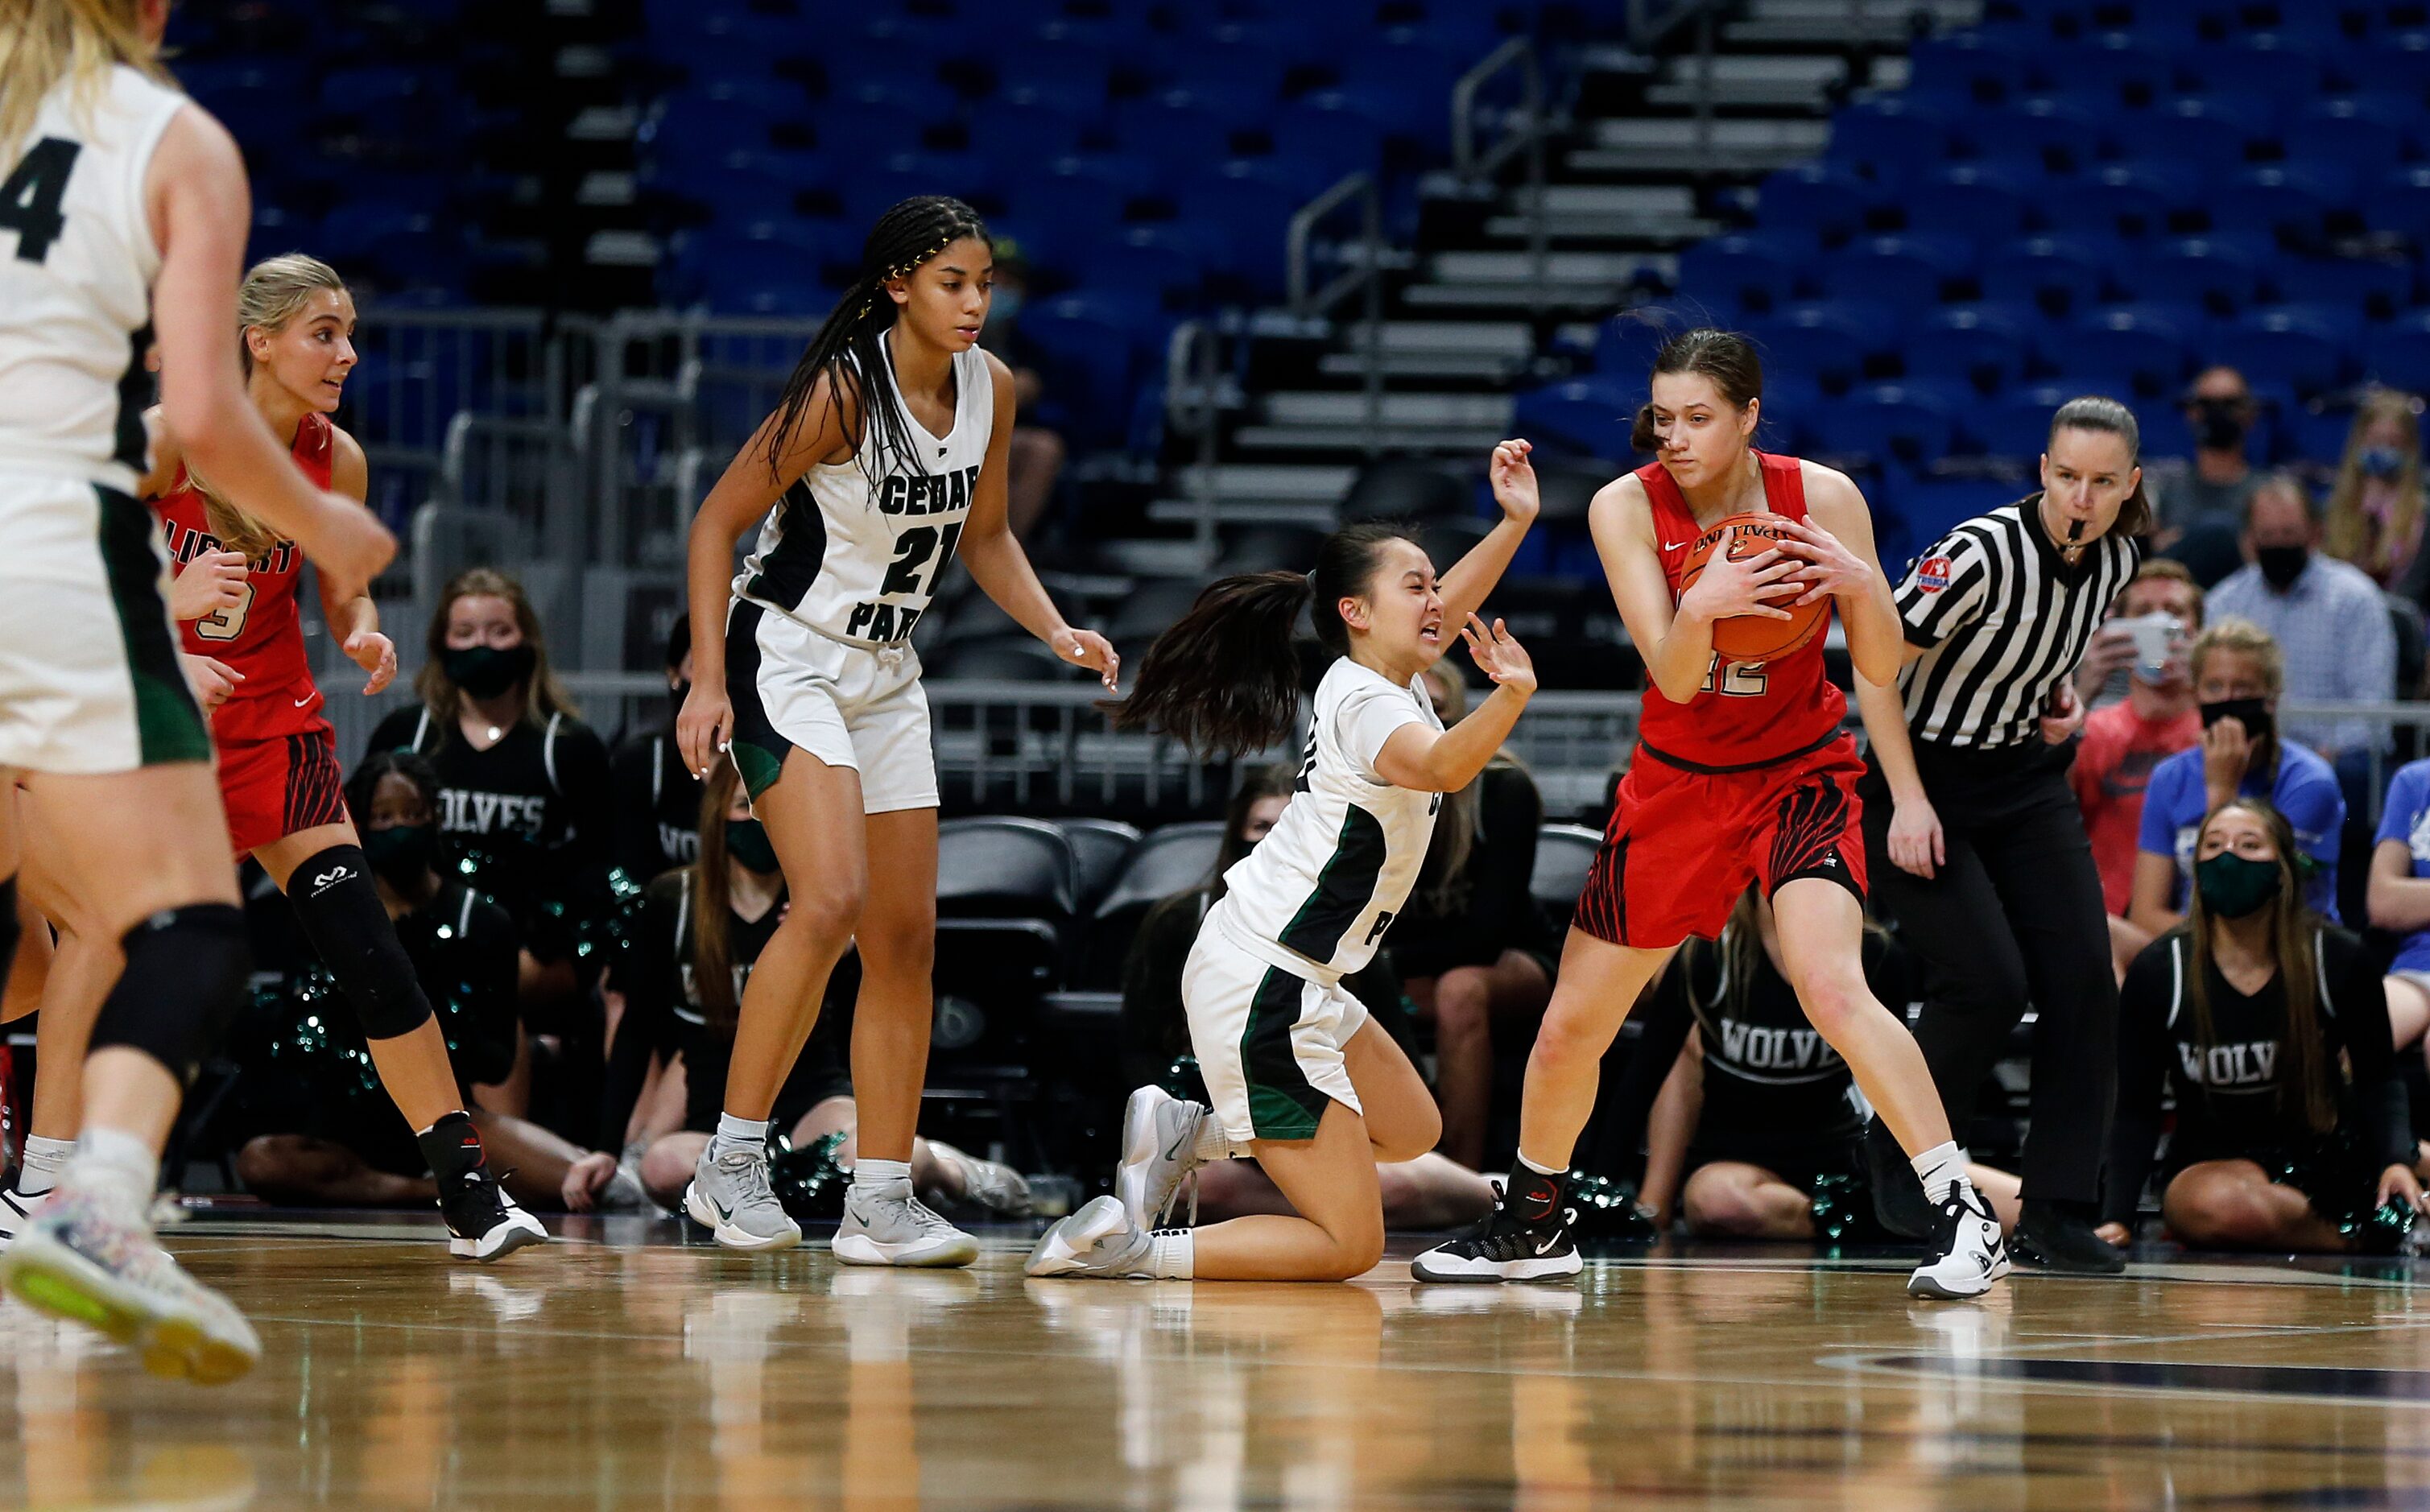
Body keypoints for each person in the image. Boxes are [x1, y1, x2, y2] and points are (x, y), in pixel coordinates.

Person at [1413, 329, 2006, 1299]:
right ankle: (1533, 1221)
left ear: (1749, 418)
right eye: (1662, 417)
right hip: (1678, 779)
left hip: (1799, 772)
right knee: (1573, 1027)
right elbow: (1677, 676)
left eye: (1698, 419)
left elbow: (1881, 663)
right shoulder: (1624, 507)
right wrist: (1708, 602)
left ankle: (1960, 1213)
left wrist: (1865, 589)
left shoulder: (1822, 499)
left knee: (1831, 986)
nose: (1674, 437)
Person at [0, 0, 395, 1383]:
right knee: (184, 922)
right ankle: (89, 1199)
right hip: (56, 541)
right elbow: (209, 416)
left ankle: (47, 1187)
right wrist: (333, 529)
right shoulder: (174, 138)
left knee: (58, 916)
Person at [676, 196, 1117, 1262]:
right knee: (825, 900)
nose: (973, 302)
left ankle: (879, 1197)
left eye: (982, 284)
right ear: (896, 287)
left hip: (885, 671)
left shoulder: (991, 390)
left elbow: (990, 534)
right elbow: (716, 521)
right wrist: (703, 677)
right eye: (951, 282)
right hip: (786, 650)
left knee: (906, 938)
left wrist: (1057, 627)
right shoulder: (842, 391)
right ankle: (728, 1165)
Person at [1026, 446, 1540, 1283]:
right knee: (1350, 1247)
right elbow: (1446, 766)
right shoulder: (1372, 704)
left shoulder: (1377, 673)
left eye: (1434, 584)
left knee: (1410, 1128)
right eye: (1416, 586)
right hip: (1269, 978)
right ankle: (1131, 1253)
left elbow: (1451, 612)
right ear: (1356, 610)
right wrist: (1511, 696)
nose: (1438, 600)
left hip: (1291, 972)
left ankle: (1196, 1133)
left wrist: (1514, 523)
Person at [136, 254, 540, 1258]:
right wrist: (169, 629)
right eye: (325, 333)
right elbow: (83, 567)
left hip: (278, 733)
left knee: (373, 953)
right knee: (69, 966)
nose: (348, 354)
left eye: (351, 333)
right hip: (157, 742)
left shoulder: (336, 459)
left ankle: (467, 1192)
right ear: (258, 340)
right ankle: (65, 1182)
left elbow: (343, 584)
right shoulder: (169, 440)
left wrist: (360, 626)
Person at [1849, 396, 2144, 1276]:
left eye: (2101, 483)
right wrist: (1905, 799)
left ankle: (2056, 1210)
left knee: (2087, 980)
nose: (2080, 498)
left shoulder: (2117, 560)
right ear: (2041, 472)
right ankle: (1900, 1153)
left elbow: (2043, 658)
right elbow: (1874, 666)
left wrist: (2064, 703)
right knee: (1985, 979)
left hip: (2021, 779)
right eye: (2065, 477)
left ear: (2129, 488)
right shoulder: (1977, 553)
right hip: (1919, 775)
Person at [578, 760, 1028, 1219]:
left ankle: (952, 1171)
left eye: (769, 808)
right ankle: (788, 1189)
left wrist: (849, 953)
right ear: (716, 814)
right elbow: (637, 1029)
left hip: (814, 1101)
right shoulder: (674, 901)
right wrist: (606, 1148)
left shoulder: (826, 899)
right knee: (661, 1166)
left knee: (883, 1157)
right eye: (743, 806)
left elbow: (884, 1006)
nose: (758, 821)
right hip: (716, 1114)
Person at [1114, 764, 1495, 1233]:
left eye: (1285, 826)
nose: (1271, 841)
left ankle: (1507, 1197)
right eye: (1261, 827)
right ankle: (1149, 1248)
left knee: (1408, 1152)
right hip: (1236, 1100)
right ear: (1236, 833)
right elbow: (1137, 1044)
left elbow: (1393, 1061)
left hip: (1318, 1110)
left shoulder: (1349, 927)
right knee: (1218, 1196)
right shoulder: (1190, 922)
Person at [228, 752, 580, 1227]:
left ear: (436, 816)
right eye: (384, 817)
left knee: (578, 1179)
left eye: (413, 815)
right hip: (348, 1125)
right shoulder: (328, 914)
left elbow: (495, 1060)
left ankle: (459, 1177)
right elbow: (301, 1039)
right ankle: (428, 1190)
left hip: (451, 1108)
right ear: (359, 825)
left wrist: (430, 1010)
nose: (400, 827)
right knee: (264, 1160)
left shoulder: (480, 918)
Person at [1610, 889, 2021, 1240]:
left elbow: (1895, 1076)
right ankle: (1862, 1221)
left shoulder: (1876, 956)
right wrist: (1643, 1196)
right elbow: (1655, 1072)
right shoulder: (1707, 956)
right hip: (1734, 1158)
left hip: (1839, 1152)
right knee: (1718, 1201)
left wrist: (1910, 1170)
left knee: (2022, 1207)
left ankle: (2068, 1223)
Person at [2106, 799, 2422, 1252]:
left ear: (2284, 869)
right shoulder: (2162, 969)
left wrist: (2395, 1159)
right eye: (2212, 845)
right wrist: (2117, 1217)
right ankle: (2359, 1235)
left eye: (2249, 844)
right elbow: (2136, 1108)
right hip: (2208, 1161)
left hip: (2327, 1154)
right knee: (2224, 1207)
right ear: (2196, 868)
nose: (2228, 855)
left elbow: (2379, 1079)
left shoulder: (2337, 958)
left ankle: (2388, 1196)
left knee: (2409, 1158)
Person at [368, 567, 616, 1117]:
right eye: (466, 632)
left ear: (527, 640)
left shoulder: (568, 746)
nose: (482, 645)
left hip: (530, 950)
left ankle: (501, 1161)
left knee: (483, 986)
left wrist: (559, 940)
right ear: (441, 643)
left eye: (498, 631)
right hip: (420, 934)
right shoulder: (406, 737)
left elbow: (601, 868)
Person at [1384, 664, 1554, 1171]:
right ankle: (1370, 1165)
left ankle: (1462, 1175)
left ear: (1461, 716)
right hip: (1407, 966)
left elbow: (1487, 934)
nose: (1424, 724)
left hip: (1512, 958)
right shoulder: (1361, 789)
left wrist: (1389, 966)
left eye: (1436, 710)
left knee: (1460, 990)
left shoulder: (1502, 787)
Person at [2130, 619, 2345, 936]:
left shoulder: (2309, 782)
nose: (2228, 700)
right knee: (2107, 935)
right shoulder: (2170, 777)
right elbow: (2147, 914)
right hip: (2193, 939)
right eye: (2215, 687)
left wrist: (2223, 791)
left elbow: (2249, 909)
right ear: (2195, 696)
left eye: (2243, 688)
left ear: (2270, 699)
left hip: (2285, 944)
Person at [2205, 473, 2398, 779]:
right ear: (2249, 540)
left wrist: (2322, 754)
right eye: (2268, 535)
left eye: (2289, 533)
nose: (2279, 543)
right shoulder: (2225, 602)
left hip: (2336, 760)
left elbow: (2373, 711)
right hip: (2246, 754)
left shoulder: (2355, 599)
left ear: (2315, 533)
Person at [2068, 561, 2205, 976]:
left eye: (2175, 611)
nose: (2161, 623)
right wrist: (2082, 693)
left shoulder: (2223, 731)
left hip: (2194, 927)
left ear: (2199, 633)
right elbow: (2042, 802)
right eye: (2144, 613)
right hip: (2103, 928)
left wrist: (2206, 685)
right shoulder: (2089, 730)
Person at [972, 239, 1062, 543]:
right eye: (992, 280)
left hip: (998, 436)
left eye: (1010, 282)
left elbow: (1023, 389)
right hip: (937, 432)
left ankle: (1002, 551)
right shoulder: (936, 335)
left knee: (1043, 448)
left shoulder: (1027, 346)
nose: (1000, 289)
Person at [609, 616, 702, 885]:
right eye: (700, 666)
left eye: (734, 665)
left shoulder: (770, 766)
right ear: (674, 673)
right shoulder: (642, 763)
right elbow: (628, 869)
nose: (717, 681)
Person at [2147, 365, 2260, 588]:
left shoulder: (2267, 491)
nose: (2217, 413)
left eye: (2229, 404)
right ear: (2191, 412)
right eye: (2207, 404)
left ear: (2249, 414)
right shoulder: (2163, 487)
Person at [2322, 389, 2428, 599]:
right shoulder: (2332, 507)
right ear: (2359, 443)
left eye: (2393, 444)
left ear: (2410, 450)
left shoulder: (2423, 514)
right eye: (2376, 441)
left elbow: (2415, 589)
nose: (2383, 450)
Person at [2366, 749, 2430, 1056]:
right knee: (2350, 1040)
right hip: (2418, 966)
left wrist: (2415, 898)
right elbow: (2383, 902)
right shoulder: (2414, 781)